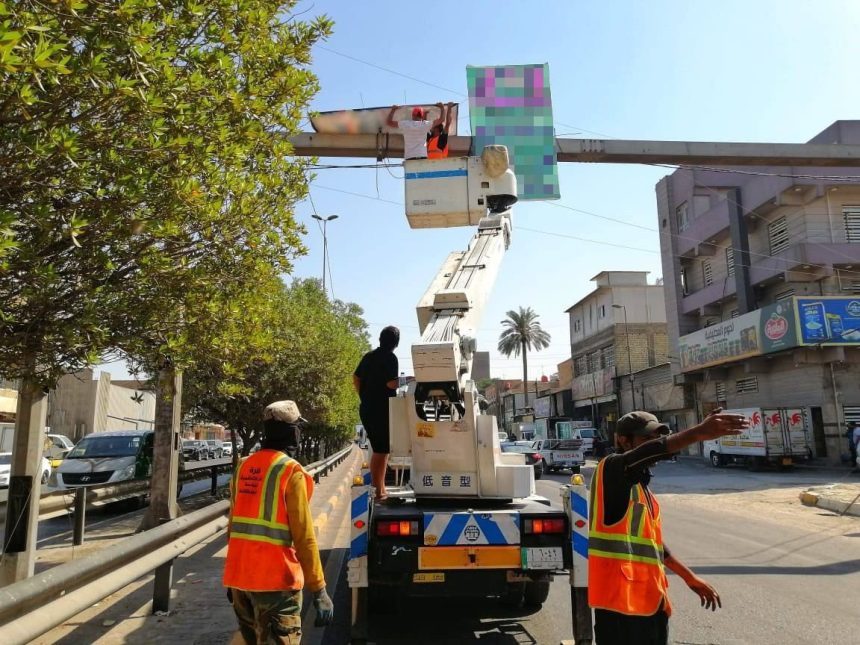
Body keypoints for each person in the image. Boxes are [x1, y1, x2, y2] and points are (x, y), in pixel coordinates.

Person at [588, 409, 749, 645]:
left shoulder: (642, 491)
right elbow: (649, 452)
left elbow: (654, 546)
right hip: (620, 609)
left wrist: (690, 577)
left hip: (650, 604)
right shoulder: (611, 469)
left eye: (658, 437)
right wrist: (698, 432)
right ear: (623, 440)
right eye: (646, 438)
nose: (654, 443)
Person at [223, 400, 333, 644]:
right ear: (292, 433)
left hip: (240, 582)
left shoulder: (243, 467)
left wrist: (232, 580)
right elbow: (304, 537)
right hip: (276, 584)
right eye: (298, 429)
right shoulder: (290, 472)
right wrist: (319, 589)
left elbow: (233, 527)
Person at [353, 326, 400, 501]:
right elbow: (390, 384)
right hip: (382, 409)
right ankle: (378, 491)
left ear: (380, 339)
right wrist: (405, 381)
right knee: (382, 450)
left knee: (380, 449)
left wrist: (364, 395)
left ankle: (380, 488)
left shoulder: (369, 356)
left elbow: (356, 378)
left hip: (367, 408)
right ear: (396, 342)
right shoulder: (390, 358)